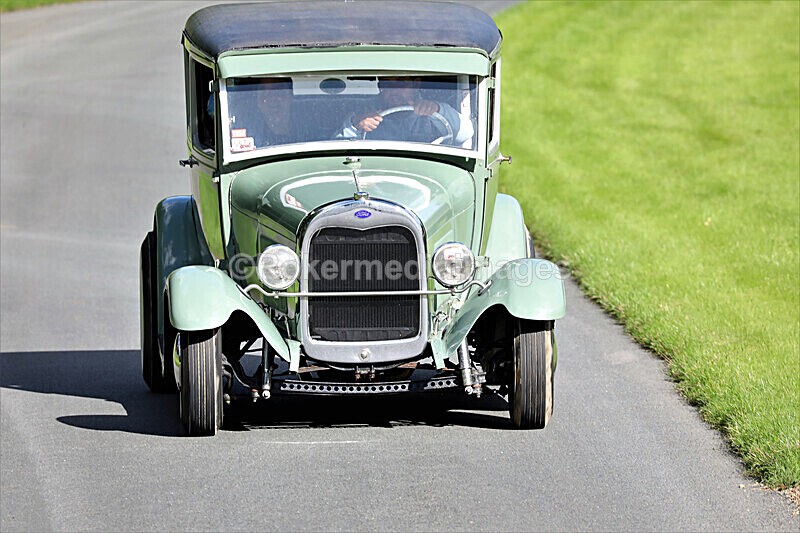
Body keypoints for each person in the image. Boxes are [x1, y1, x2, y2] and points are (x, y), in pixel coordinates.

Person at [336, 77, 473, 146]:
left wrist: (437, 110)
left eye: (401, 84)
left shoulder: (434, 110)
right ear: (380, 86)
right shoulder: (364, 111)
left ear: (416, 84)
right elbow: (336, 147)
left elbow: (465, 133)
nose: (395, 91)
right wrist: (355, 125)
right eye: (388, 84)